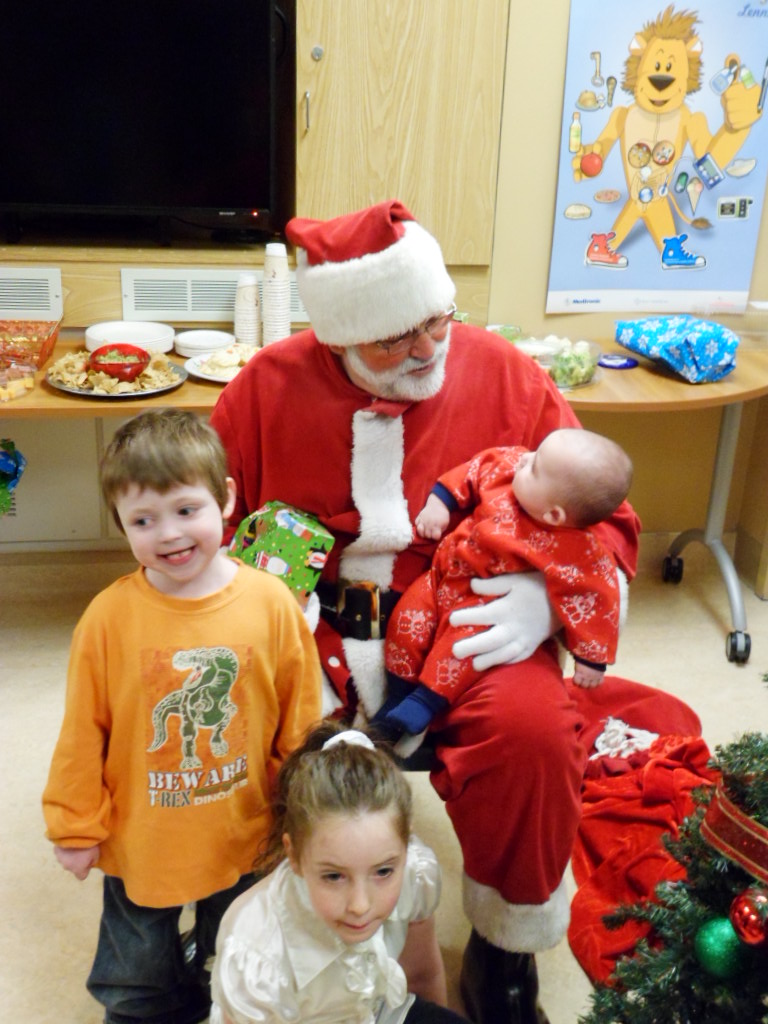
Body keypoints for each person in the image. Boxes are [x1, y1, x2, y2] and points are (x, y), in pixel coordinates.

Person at [209, 199, 641, 1024]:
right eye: (395, 338)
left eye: (437, 322)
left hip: (468, 621)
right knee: (230, 715)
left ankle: (507, 953)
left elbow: (608, 513)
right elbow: (209, 522)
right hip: (315, 631)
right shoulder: (262, 389)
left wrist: (549, 600)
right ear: (339, 332)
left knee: (535, 732)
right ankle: (248, 918)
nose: (427, 349)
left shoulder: (507, 373)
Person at [42, 409, 322, 1024]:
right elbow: (82, 728)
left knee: (239, 954)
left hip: (245, 830)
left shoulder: (273, 604)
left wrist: (303, 810)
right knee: (136, 977)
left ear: (224, 499)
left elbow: (299, 719)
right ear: (120, 522)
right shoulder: (108, 618)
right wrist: (74, 822)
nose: (168, 534)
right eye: (143, 520)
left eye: (185, 510)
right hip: (143, 837)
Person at [380, 429, 634, 744]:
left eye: (534, 467)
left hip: (483, 604)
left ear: (554, 514)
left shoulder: (577, 550)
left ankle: (426, 700)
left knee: (462, 650)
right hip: (440, 577)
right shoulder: (507, 468)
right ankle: (397, 692)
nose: (524, 457)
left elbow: (599, 594)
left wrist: (591, 659)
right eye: (535, 452)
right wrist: (439, 503)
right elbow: (474, 470)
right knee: (406, 621)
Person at [210, 722, 469, 1024]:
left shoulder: (414, 871)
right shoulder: (256, 948)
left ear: (404, 845)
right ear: (293, 854)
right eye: (334, 876)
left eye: (383, 871)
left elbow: (422, 976)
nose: (360, 905)